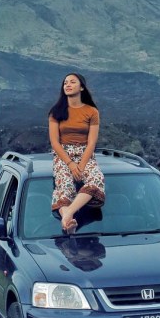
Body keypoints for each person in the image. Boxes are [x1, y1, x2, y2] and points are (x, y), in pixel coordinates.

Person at [48, 72, 105, 234]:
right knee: (65, 187)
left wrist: (81, 165)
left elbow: (92, 142)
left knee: (96, 179)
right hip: (63, 155)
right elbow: (55, 142)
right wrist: (71, 164)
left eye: (72, 82)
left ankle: (67, 215)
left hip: (85, 154)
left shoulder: (92, 112)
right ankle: (69, 226)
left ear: (81, 87)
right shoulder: (56, 112)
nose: (67, 84)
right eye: (65, 82)